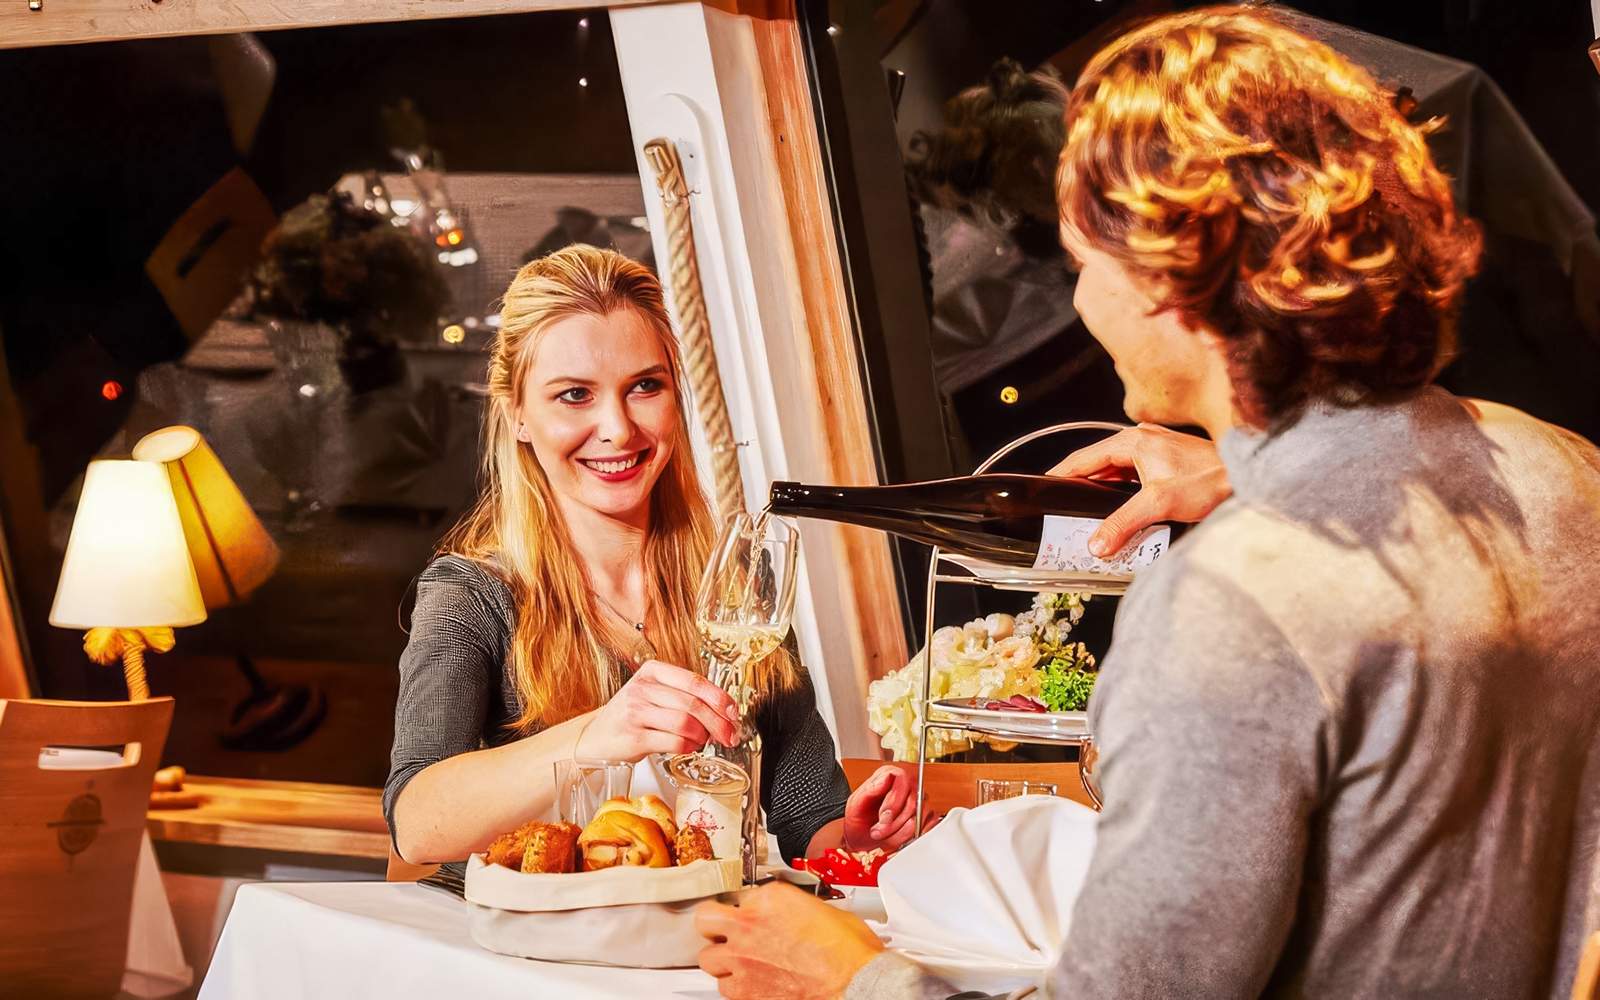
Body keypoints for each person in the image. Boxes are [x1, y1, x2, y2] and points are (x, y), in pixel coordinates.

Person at [693, 8, 1600, 999]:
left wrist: (848, 977)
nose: (1078, 304)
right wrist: (1241, 471)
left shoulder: (1232, 606)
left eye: (1084, 268)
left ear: (1171, 274)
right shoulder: (1562, 472)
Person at [385, 245, 920, 869]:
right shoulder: (473, 594)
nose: (618, 428)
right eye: (573, 395)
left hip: (702, 950)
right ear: (519, 417)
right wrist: (598, 735)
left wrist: (859, 840)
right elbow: (416, 825)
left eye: (644, 386)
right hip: (540, 955)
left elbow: (806, 820)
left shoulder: (734, 595)